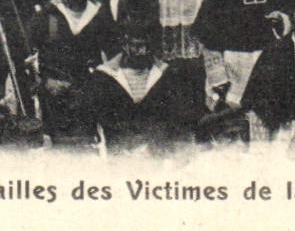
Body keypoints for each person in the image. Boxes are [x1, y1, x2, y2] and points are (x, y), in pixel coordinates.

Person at [77, 21, 206, 153]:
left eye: (146, 46)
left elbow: (174, 118)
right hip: (118, 150)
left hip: (156, 150)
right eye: (137, 46)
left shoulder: (164, 74)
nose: (143, 51)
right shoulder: (104, 76)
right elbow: (94, 119)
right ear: (124, 45)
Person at [34, 0, 121, 140]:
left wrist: (99, 78)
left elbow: (115, 53)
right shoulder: (50, 12)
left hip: (87, 84)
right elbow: (34, 51)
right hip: (54, 83)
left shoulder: (98, 13)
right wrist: (47, 79)